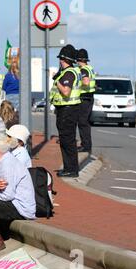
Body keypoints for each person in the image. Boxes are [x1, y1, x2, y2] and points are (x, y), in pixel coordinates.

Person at [49, 44, 81, 177]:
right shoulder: (70, 72)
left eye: (61, 58)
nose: (60, 61)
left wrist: (57, 82)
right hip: (67, 110)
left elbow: (66, 92)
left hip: (67, 110)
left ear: (64, 59)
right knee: (67, 140)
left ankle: (71, 170)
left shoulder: (68, 73)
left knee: (67, 141)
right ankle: (70, 167)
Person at [76, 49, 96, 154]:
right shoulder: (89, 68)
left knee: (83, 123)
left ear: (79, 60)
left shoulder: (83, 70)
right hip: (88, 98)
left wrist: (76, 84)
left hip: (84, 98)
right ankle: (86, 145)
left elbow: (86, 82)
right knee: (85, 123)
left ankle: (86, 146)